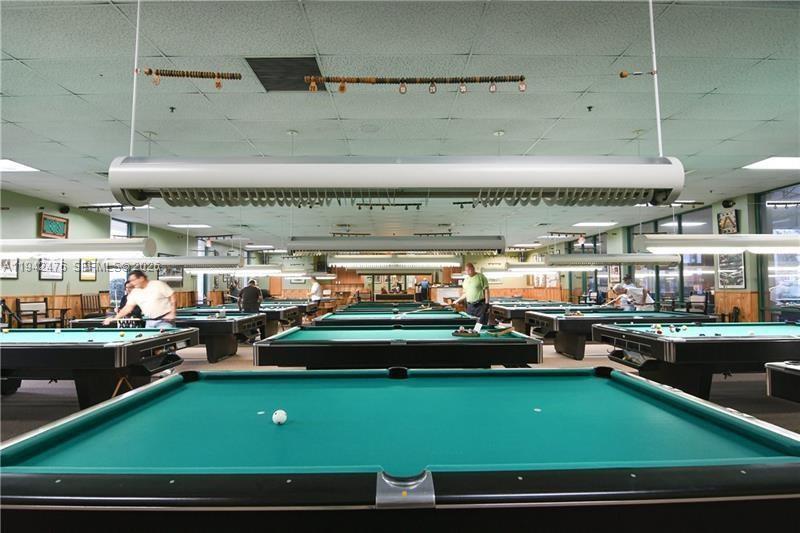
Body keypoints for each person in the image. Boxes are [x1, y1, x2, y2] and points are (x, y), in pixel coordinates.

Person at [105, 270, 176, 329]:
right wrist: (114, 318)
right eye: (130, 281)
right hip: (149, 321)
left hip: (164, 321)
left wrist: (172, 312)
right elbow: (127, 308)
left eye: (133, 280)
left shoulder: (157, 284)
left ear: (141, 278)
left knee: (163, 342)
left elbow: (172, 295)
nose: (132, 283)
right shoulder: (135, 292)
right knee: (147, 344)